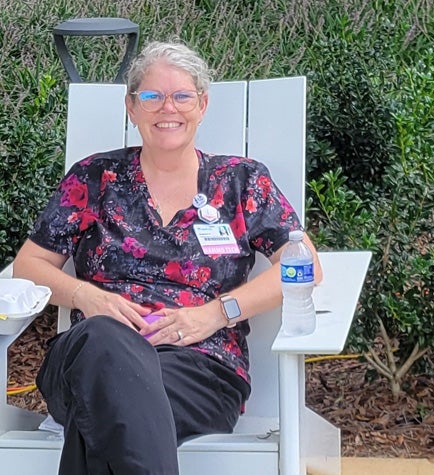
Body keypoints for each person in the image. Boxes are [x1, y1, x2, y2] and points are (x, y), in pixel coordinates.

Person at [12, 40, 321, 474]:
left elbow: (305, 264)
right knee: (104, 346)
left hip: (200, 368)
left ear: (203, 104)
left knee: (107, 413)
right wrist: (88, 298)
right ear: (131, 107)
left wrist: (217, 313)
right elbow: (28, 266)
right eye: (152, 96)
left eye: (181, 96)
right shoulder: (94, 177)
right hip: (89, 353)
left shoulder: (241, 181)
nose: (166, 108)